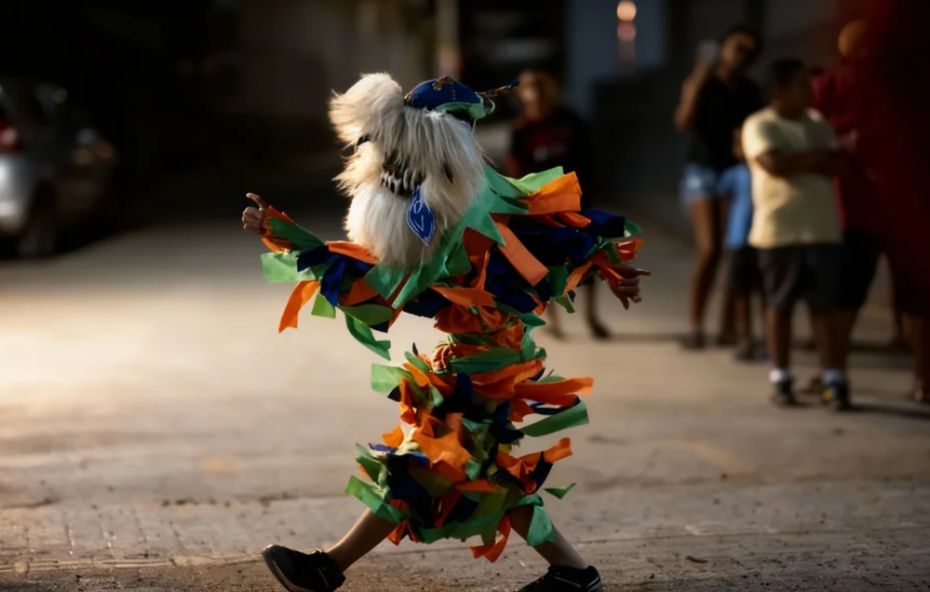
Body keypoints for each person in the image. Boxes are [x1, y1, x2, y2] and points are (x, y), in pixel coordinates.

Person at [241, 74, 648, 592]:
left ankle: (328, 568)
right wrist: (287, 236)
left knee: (426, 462)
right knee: (483, 471)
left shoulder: (464, 198)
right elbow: (397, 276)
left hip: (486, 364)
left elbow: (391, 281)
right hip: (479, 356)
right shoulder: (457, 191)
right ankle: (573, 573)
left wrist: (610, 264)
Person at [742, 58, 851, 409]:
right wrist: (818, 157)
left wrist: (800, 159)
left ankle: (834, 379)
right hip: (779, 230)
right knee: (780, 305)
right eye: (803, 84)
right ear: (781, 90)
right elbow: (774, 166)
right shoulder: (760, 125)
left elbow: (839, 165)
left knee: (826, 308)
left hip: (822, 229)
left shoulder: (817, 123)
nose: (812, 91)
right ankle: (781, 377)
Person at [674, 25, 764, 349]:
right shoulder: (703, 84)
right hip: (702, 171)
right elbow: (683, 122)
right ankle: (696, 326)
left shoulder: (751, 91)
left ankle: (729, 327)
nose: (742, 56)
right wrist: (697, 80)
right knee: (709, 249)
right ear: (723, 48)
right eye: (737, 47)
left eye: (749, 51)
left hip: (735, 171)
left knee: (735, 251)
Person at [507, 69, 610, 339]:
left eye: (540, 87)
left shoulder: (570, 121)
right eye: (530, 88)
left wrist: (588, 197)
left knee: (587, 260)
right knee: (545, 262)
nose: (536, 94)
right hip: (541, 206)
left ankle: (591, 316)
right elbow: (516, 171)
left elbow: (588, 160)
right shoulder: (521, 129)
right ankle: (553, 320)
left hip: (575, 202)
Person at [810, 19, 883, 385]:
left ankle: (834, 368)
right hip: (840, 209)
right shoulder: (829, 84)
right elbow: (808, 135)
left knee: (854, 295)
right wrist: (845, 142)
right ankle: (831, 370)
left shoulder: (896, 90)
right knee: (834, 294)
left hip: (880, 208)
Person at [718, 128, 762, 361]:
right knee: (741, 294)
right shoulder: (732, 175)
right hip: (737, 240)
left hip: (763, 239)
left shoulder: (765, 172)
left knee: (764, 293)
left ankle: (766, 340)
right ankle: (746, 337)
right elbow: (725, 206)